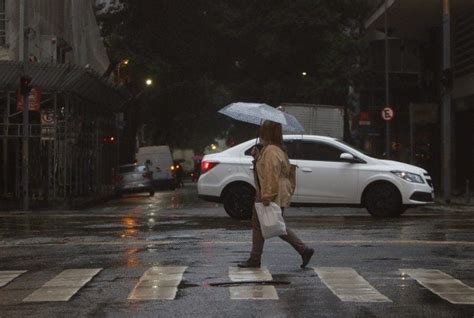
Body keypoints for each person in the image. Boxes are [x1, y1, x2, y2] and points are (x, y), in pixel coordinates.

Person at [238, 120, 314, 269]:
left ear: (266, 132)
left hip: (270, 192)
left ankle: (302, 249)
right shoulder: (274, 149)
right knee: (270, 225)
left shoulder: (271, 150)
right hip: (273, 192)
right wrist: (257, 158)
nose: (260, 133)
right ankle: (301, 250)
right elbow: (264, 170)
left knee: (272, 225)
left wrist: (266, 195)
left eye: (262, 130)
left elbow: (271, 174)